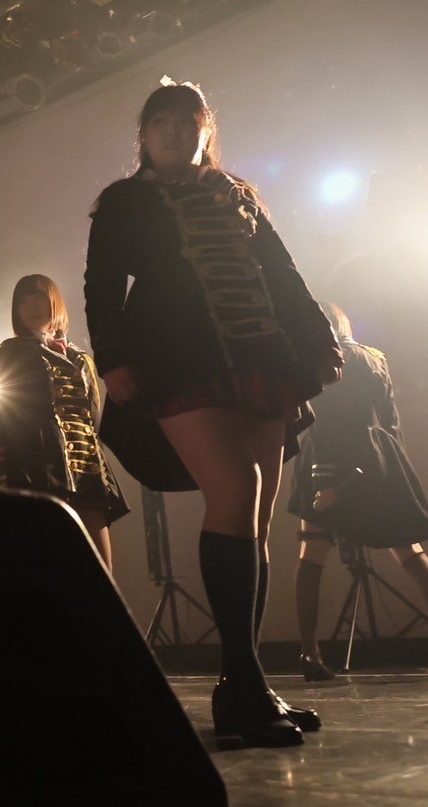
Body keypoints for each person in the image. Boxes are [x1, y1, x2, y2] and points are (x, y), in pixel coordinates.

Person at [85, 81, 341, 747]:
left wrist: (318, 341)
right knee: (234, 492)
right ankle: (239, 688)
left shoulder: (238, 195)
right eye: (159, 123)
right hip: (178, 357)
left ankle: (249, 681)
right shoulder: (124, 201)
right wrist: (112, 356)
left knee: (255, 517)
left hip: (260, 358)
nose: (172, 132)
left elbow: (282, 273)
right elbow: (101, 282)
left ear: (206, 129)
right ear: (144, 136)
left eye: (185, 121)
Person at [288, 302, 428, 682]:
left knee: (312, 555)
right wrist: (396, 471)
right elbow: (391, 421)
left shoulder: (320, 361)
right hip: (378, 458)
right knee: (412, 554)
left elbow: (324, 426)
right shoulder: (375, 359)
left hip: (328, 461)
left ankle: (309, 653)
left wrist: (323, 482)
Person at [0, 274, 129, 569]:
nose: (31, 306)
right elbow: (7, 417)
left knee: (102, 569)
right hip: (41, 470)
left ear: (54, 301)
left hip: (87, 469)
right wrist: (10, 477)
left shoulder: (82, 358)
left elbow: (93, 418)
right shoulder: (11, 352)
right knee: (54, 563)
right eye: (23, 301)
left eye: (38, 297)